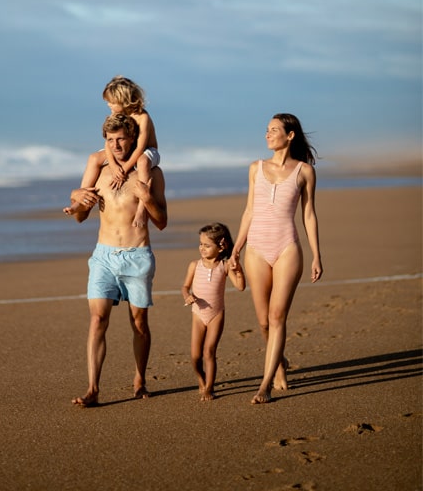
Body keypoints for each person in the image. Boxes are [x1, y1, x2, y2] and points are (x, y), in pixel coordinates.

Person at [67, 112, 167, 407]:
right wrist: (78, 203)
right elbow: (81, 217)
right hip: (104, 256)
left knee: (139, 323)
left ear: (133, 138)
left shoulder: (151, 174)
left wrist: (147, 199)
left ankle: (140, 379)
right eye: (110, 140)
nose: (116, 144)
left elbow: (161, 222)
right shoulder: (99, 171)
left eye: (121, 138)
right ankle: (93, 389)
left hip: (137, 255)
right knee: (97, 320)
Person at [230, 113, 323, 404]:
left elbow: (308, 214)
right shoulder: (255, 168)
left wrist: (316, 255)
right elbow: (248, 211)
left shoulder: (304, 171)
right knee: (263, 322)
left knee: (277, 316)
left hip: (287, 249)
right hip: (256, 248)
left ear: (290, 135)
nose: (268, 134)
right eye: (267, 130)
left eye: (274, 130)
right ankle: (279, 362)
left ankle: (265, 385)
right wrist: (236, 248)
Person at [63, 76, 159, 228]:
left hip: (147, 151)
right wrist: (114, 167)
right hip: (123, 150)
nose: (109, 105)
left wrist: (125, 169)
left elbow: (140, 148)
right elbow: (108, 145)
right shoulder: (115, 116)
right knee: (94, 158)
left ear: (124, 101)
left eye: (112, 102)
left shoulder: (142, 117)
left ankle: (142, 208)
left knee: (142, 161)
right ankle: (81, 201)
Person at [181, 222, 246, 401]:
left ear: (220, 247)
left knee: (209, 352)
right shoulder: (194, 265)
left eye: (207, 245)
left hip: (216, 314)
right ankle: (201, 380)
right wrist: (187, 295)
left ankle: (209, 387)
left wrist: (238, 267)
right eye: (201, 244)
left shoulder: (224, 266)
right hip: (197, 314)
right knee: (195, 356)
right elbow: (185, 286)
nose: (202, 248)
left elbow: (240, 286)